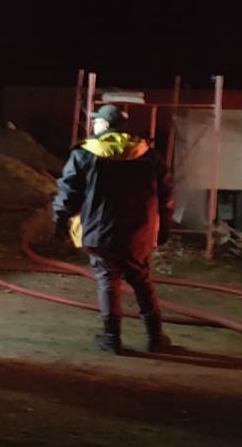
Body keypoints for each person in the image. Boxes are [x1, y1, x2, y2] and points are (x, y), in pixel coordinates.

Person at [52, 104, 175, 354]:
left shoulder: (84, 154)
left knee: (108, 281)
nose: (93, 125)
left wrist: (59, 222)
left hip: (99, 232)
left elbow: (68, 194)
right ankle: (155, 337)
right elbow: (165, 197)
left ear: (105, 125)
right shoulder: (149, 155)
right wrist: (164, 228)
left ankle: (112, 339)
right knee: (141, 280)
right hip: (138, 233)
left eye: (96, 121)